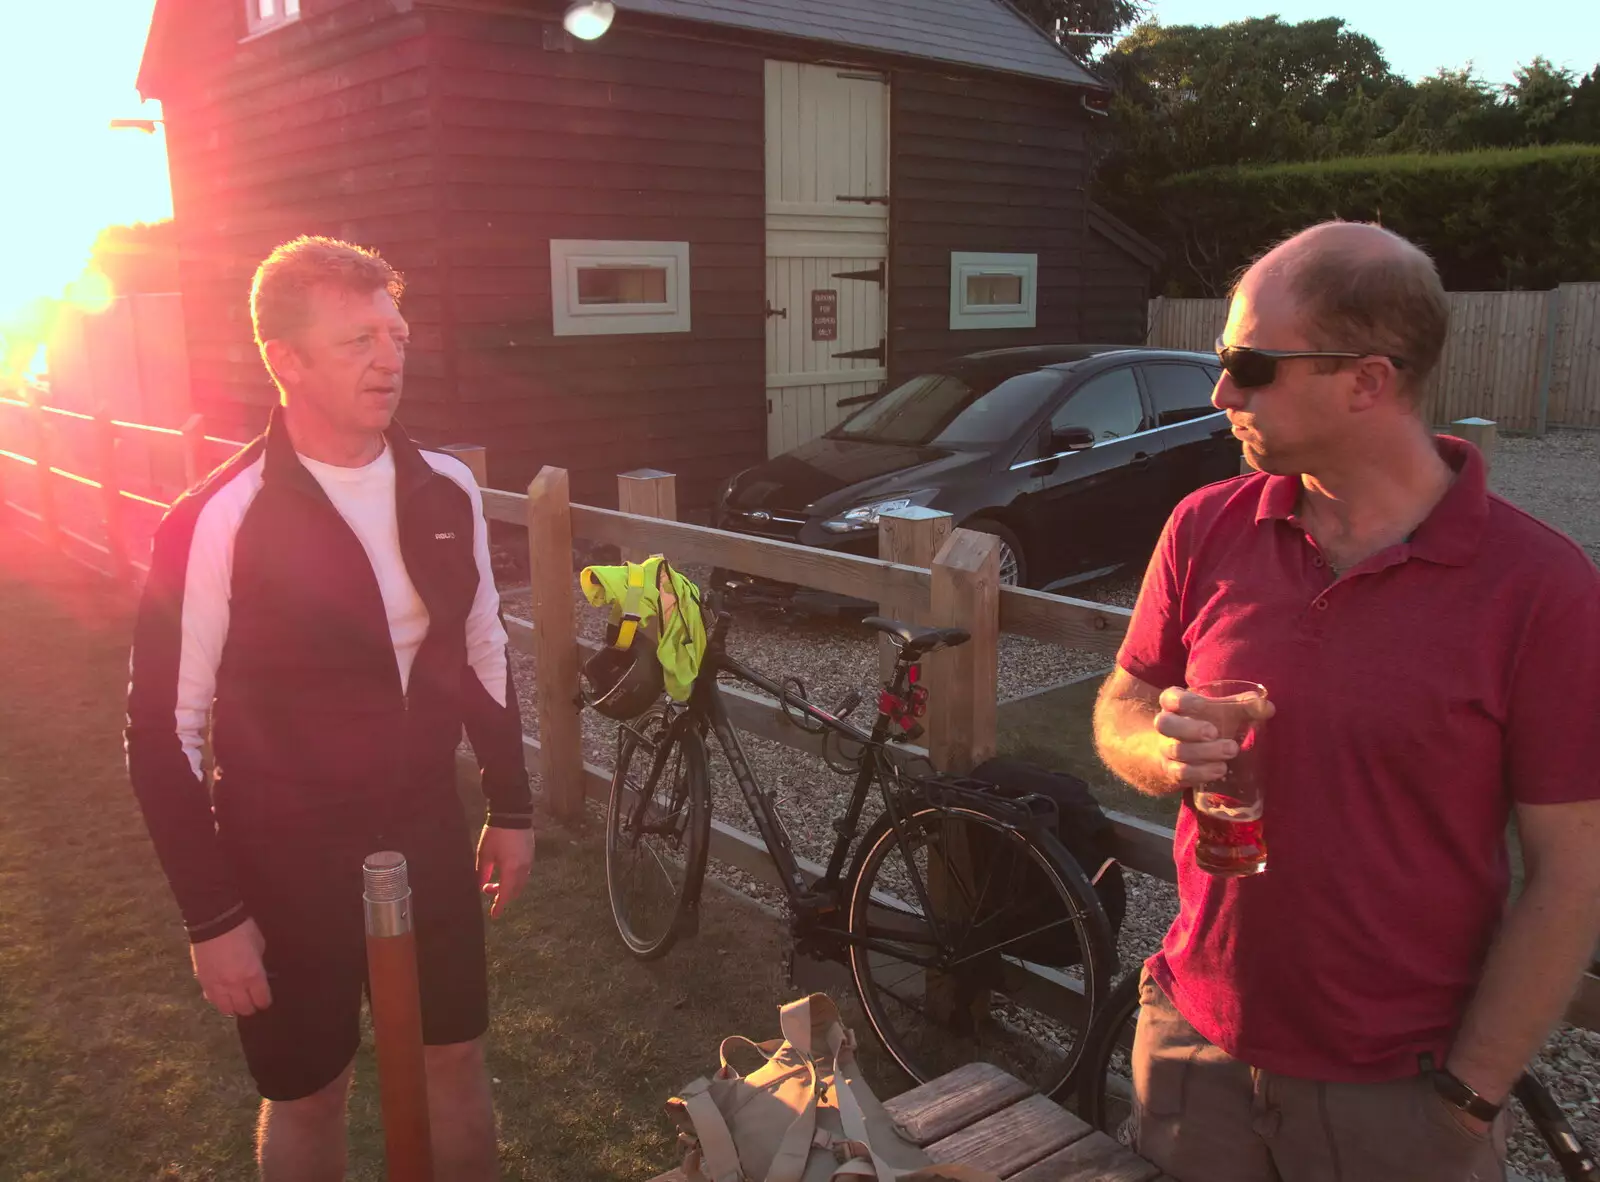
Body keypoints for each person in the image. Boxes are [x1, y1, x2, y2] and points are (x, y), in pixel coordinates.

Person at [1093, 221, 1600, 1181]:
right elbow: (1128, 693)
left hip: (1401, 1097)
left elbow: (1572, 877)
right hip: (1196, 1051)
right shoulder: (1206, 525)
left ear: (1368, 381)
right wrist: (1160, 752)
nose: (1221, 393)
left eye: (1250, 364)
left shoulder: (1541, 587)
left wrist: (1468, 1096)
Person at [126, 236, 534, 1181]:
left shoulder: (447, 488)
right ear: (287, 360)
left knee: (455, 1061)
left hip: (425, 827)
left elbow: (483, 651)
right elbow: (163, 734)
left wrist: (508, 809)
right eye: (358, 339)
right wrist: (212, 916)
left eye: (396, 332)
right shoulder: (215, 519)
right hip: (284, 851)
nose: (390, 357)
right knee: (311, 1096)